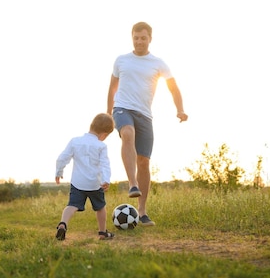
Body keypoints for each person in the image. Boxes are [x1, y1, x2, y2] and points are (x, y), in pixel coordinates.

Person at [107, 21, 188, 227]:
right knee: (127, 132)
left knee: (144, 162)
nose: (139, 41)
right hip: (122, 108)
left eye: (143, 38)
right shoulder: (121, 60)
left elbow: (174, 88)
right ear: (132, 38)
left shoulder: (158, 63)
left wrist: (179, 109)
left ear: (150, 39)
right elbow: (112, 88)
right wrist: (109, 113)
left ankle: (142, 212)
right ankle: (132, 183)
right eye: (136, 38)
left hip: (145, 114)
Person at [55, 112, 115, 241]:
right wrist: (106, 180)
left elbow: (62, 158)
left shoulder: (75, 141)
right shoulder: (101, 146)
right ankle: (102, 232)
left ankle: (63, 224)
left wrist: (59, 172)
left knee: (72, 205)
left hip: (78, 183)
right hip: (95, 184)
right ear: (104, 134)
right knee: (100, 208)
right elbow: (105, 164)